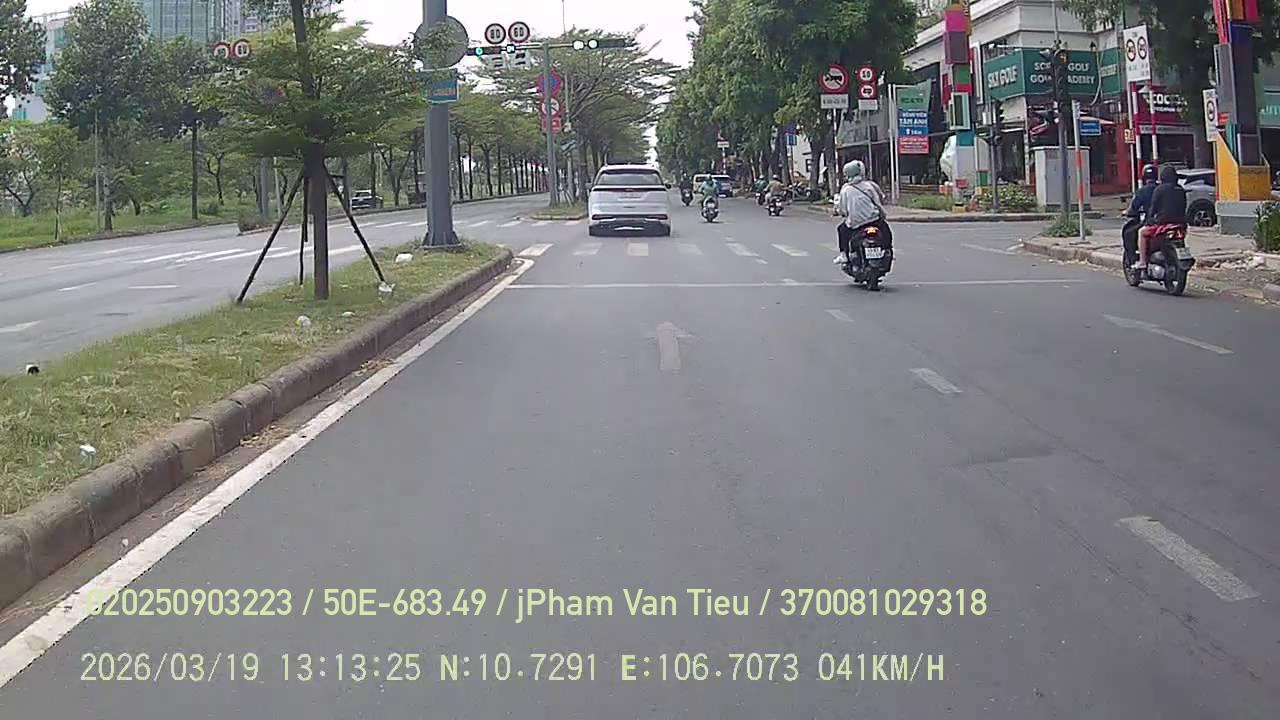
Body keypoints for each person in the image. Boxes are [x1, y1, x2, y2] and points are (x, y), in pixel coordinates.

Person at [833, 160, 886, 264]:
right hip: (874, 220)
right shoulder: (869, 186)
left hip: (855, 224)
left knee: (841, 229)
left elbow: (843, 210)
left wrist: (842, 213)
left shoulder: (845, 190)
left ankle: (844, 255)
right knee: (886, 230)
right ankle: (887, 250)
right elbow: (878, 202)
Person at [1135, 165, 1187, 269]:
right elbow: (1184, 206)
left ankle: (1142, 261)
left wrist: (1148, 221)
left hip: (1163, 224)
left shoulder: (1159, 189)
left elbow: (1153, 208)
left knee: (1141, 232)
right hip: (1181, 224)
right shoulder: (1181, 189)